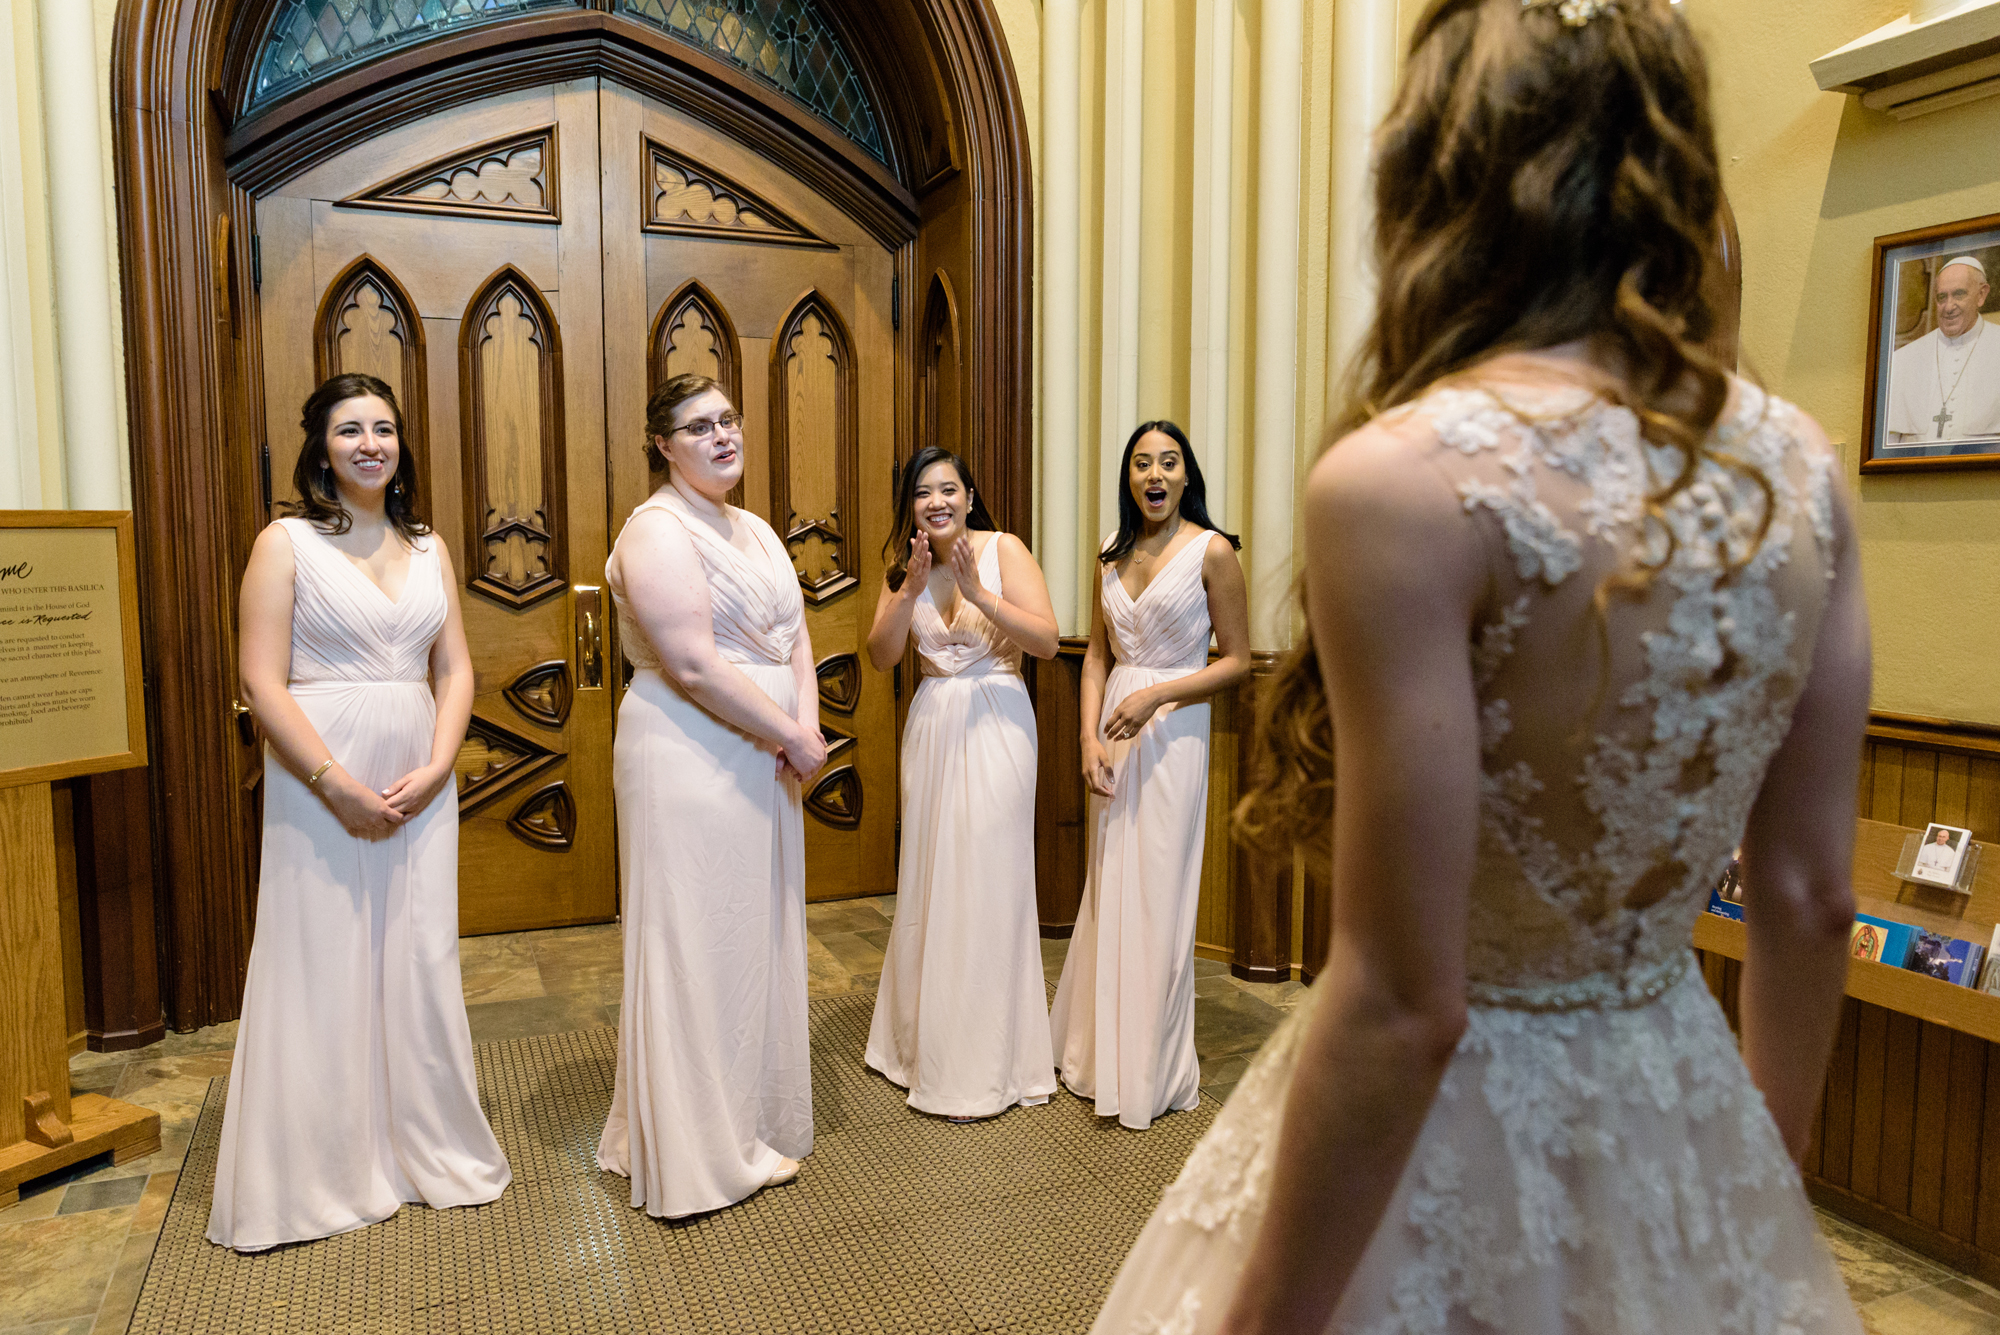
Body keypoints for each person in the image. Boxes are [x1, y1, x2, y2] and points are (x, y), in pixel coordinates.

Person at [1090, 1, 1870, 1331]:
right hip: (1677, 1090)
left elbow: (1405, 1001)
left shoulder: (1404, 479)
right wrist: (1765, 1163)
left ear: (1437, 180)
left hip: (1451, 1121)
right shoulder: (1799, 473)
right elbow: (1807, 897)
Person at [209, 373, 509, 1251]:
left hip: (420, 772)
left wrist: (442, 760)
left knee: (416, 951)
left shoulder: (431, 547)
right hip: (320, 777)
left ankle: (422, 1143)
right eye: (350, 430)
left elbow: (454, 669)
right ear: (321, 447)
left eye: (384, 428)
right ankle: (319, 1165)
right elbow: (260, 679)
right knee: (322, 953)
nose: (370, 443)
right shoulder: (285, 543)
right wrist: (332, 780)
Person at [595, 373, 824, 1216]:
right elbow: (691, 663)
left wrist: (806, 719)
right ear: (663, 444)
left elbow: (796, 633)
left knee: (749, 931)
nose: (723, 435)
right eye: (699, 426)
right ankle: (694, 1148)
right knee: (695, 935)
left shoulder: (757, 529)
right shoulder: (654, 530)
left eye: (728, 419)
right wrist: (789, 733)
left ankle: (748, 1114)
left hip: (763, 746)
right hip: (688, 749)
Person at [1049, 421, 1250, 1130]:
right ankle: (1098, 1053)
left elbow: (1237, 661)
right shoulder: (1110, 551)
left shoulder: (1212, 551)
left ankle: (1150, 1066)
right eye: (1142, 463)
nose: (1155, 474)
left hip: (1173, 730)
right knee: (1111, 886)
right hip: (1113, 727)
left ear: (1186, 475)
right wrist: (1085, 736)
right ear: (1129, 476)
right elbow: (1097, 656)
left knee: (1160, 892)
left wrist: (1158, 694)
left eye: (1168, 462)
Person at [863, 446, 1061, 1119]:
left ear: (970, 497)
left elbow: (1047, 640)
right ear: (911, 504)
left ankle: (987, 1055)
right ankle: (923, 1044)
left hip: (999, 720)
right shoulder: (903, 564)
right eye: (923, 491)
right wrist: (911, 590)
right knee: (930, 874)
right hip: (933, 724)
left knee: (988, 874)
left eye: (948, 488)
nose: (936, 501)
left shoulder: (1005, 549)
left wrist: (979, 593)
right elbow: (883, 654)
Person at [1887, 257, 2000, 443]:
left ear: (1981, 295)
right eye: (1942, 297)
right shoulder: (1902, 360)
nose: (1949, 307)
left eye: (1959, 294)